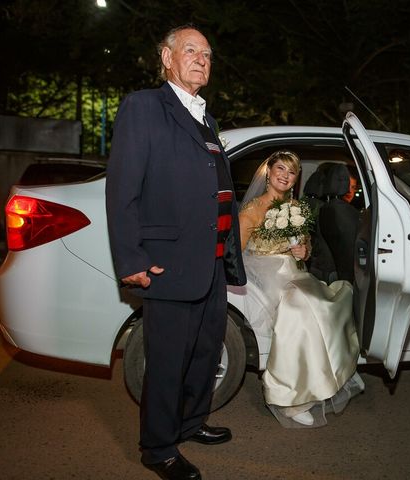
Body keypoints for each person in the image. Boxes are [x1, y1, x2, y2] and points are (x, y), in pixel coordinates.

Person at [105, 24, 246, 480]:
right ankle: (158, 448)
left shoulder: (205, 117)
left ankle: (190, 422)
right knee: (167, 360)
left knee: (204, 353)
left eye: (207, 53)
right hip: (167, 261)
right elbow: (122, 190)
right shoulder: (145, 107)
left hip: (209, 262)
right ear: (166, 57)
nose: (202, 59)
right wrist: (132, 260)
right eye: (191, 50)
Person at [238, 151, 364, 428]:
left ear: (296, 179)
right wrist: (265, 253)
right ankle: (293, 400)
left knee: (328, 303)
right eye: (280, 169)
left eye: (291, 172)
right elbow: (237, 251)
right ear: (268, 173)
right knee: (300, 310)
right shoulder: (252, 209)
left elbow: (305, 250)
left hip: (295, 272)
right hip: (264, 273)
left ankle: (327, 377)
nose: (285, 175)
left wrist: (302, 250)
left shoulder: (297, 208)